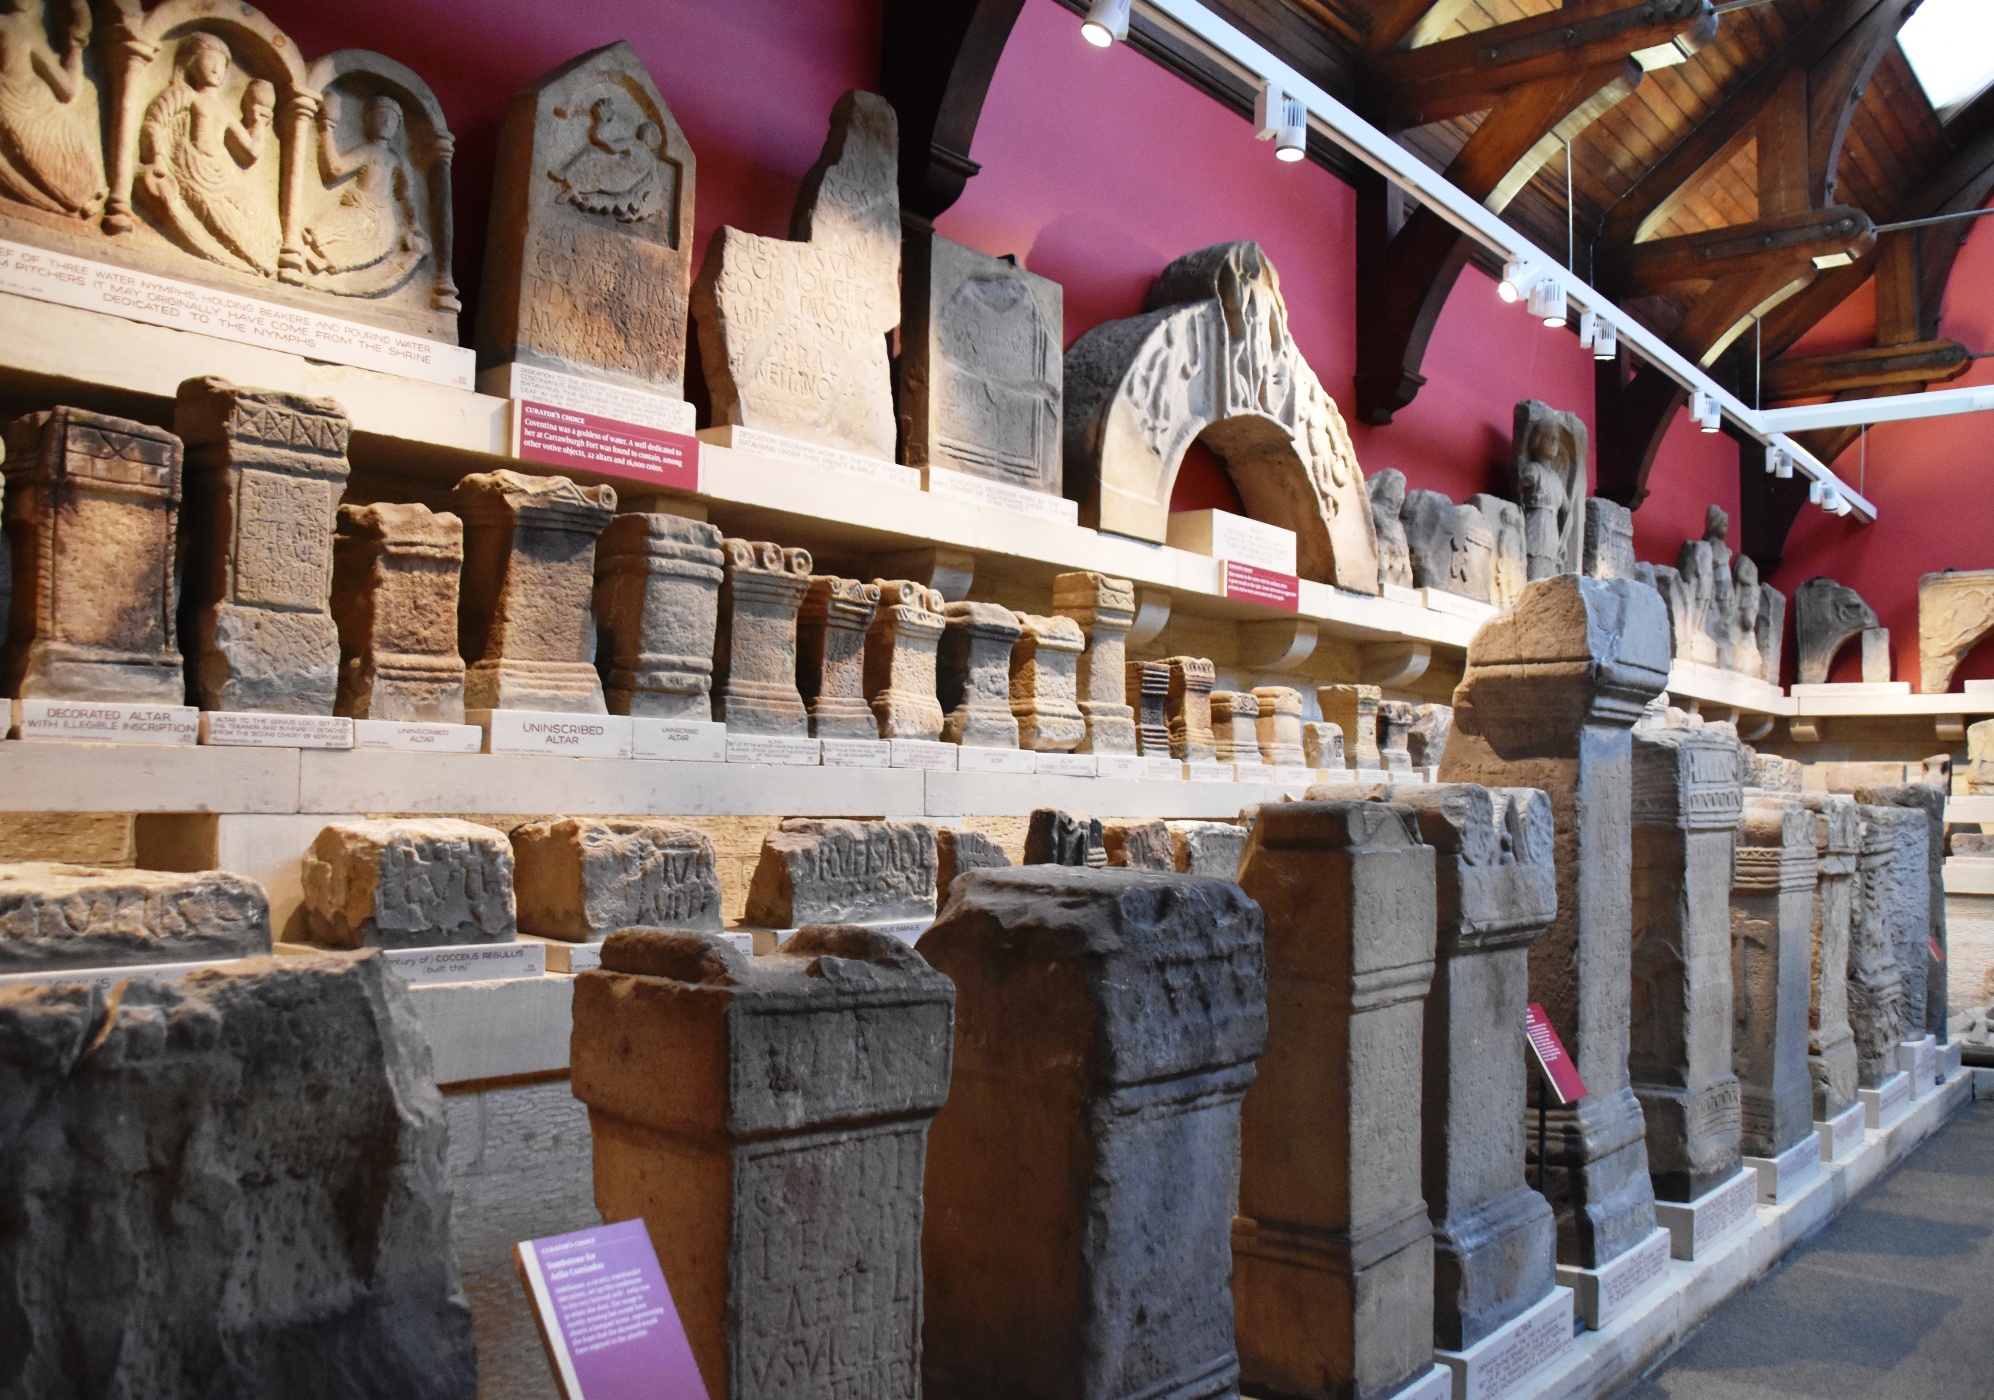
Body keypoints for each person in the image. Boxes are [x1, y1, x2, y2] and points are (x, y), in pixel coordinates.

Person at [138, 32, 279, 275]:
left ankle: (266, 254)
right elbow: (154, 124)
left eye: (222, 65)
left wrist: (258, 123)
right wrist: (158, 157)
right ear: (192, 62)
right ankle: (253, 257)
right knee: (223, 218)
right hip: (196, 171)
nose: (217, 69)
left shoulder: (222, 110)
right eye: (210, 60)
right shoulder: (184, 95)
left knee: (261, 215)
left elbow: (251, 151)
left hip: (223, 172)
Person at [0, 0, 104, 218]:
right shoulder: (19, 28)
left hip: (30, 108)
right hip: (29, 110)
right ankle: (84, 196)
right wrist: (76, 47)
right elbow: (68, 89)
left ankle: (80, 196)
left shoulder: (17, 27)